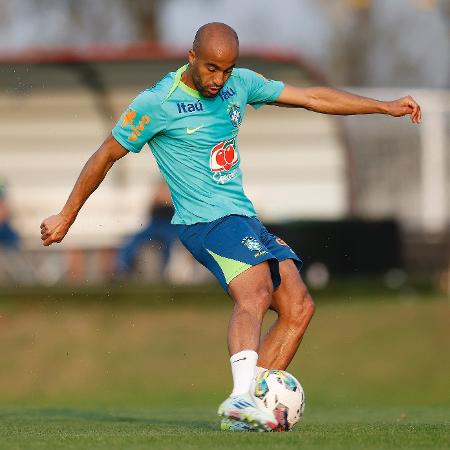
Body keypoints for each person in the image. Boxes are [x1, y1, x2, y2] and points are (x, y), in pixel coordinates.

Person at [40, 23, 421, 432]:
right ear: (191, 58)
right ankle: (241, 398)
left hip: (243, 218)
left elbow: (312, 97)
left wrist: (384, 106)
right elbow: (105, 154)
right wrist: (67, 215)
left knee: (298, 307)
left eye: (227, 69)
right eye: (211, 69)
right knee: (255, 290)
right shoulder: (157, 102)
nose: (219, 79)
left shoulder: (240, 84)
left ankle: (247, 413)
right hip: (204, 222)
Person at [115, 179, 177, 278]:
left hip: (168, 227)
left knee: (168, 244)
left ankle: (165, 271)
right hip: (155, 225)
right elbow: (151, 208)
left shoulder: (176, 191)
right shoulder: (160, 191)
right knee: (133, 241)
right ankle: (123, 268)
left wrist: (165, 200)